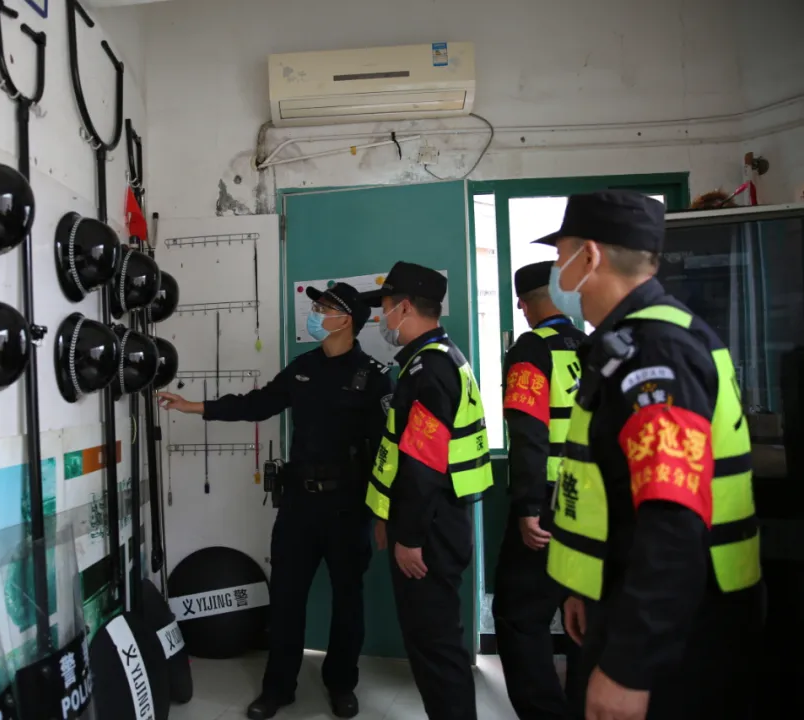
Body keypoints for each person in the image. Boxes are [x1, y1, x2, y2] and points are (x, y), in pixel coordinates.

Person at [539, 191, 764, 720]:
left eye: (561, 256)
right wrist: (585, 588)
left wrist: (628, 668)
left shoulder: (655, 354)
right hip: (632, 601)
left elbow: (672, 522)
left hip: (675, 634)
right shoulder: (632, 343)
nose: (557, 273)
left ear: (589, 256)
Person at [157, 282, 393, 720]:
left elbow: (387, 451)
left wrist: (383, 513)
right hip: (299, 506)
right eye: (316, 305)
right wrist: (195, 406)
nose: (315, 312)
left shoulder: (374, 376)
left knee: (348, 600)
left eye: (324, 307)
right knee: (286, 598)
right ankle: (278, 687)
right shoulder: (303, 367)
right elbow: (257, 404)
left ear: (346, 320)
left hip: (348, 507)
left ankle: (341, 683)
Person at [361, 261, 493, 720]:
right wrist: (387, 517)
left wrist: (410, 536)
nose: (381, 318)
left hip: (430, 529)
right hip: (438, 519)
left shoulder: (428, 369)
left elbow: (422, 464)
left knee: (435, 647)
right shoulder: (438, 358)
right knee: (434, 641)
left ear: (403, 308)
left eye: (384, 307)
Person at [492, 261, 586, 719]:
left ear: (524, 305)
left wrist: (527, 506)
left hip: (547, 503)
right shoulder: (593, 345)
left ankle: (544, 712)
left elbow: (529, 433)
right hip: (594, 505)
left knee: (519, 614)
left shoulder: (532, 349)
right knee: (584, 612)